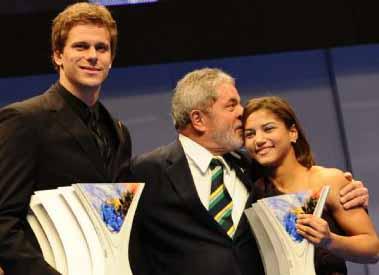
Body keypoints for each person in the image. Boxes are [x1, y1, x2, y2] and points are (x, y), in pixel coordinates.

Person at [119, 68, 369, 275]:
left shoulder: (254, 169)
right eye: (231, 106)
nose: (242, 112)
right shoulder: (146, 171)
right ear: (198, 119)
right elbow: (125, 246)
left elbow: (299, 182)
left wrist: (349, 190)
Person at [0, 3, 131, 275]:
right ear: (58, 55)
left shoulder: (119, 132)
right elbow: (3, 222)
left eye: (101, 48)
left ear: (111, 59)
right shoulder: (24, 120)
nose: (93, 56)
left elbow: (117, 222)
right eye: (81, 47)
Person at [243, 96, 379, 274]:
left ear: (293, 133)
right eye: (249, 134)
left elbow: (373, 250)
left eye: (268, 129)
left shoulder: (328, 180)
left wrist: (329, 240)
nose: (259, 140)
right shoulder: (254, 191)